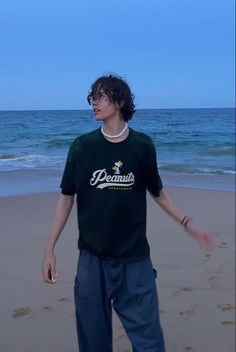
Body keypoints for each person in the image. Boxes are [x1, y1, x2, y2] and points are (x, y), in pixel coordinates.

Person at [42, 74, 213, 352]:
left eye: (101, 97)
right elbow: (66, 198)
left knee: (150, 343)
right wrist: (50, 249)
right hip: (91, 261)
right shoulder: (82, 147)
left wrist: (187, 223)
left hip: (135, 260)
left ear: (119, 101)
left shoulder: (142, 146)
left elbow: (157, 192)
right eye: (92, 98)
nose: (93, 103)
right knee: (93, 343)